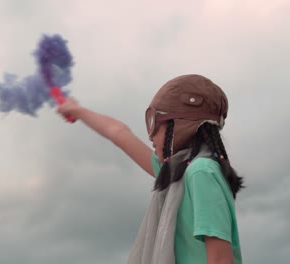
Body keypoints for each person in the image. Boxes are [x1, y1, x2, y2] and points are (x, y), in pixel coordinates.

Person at [57, 74, 244, 264]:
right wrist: (77, 110)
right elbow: (119, 133)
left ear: (179, 124)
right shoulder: (177, 172)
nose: (150, 136)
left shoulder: (201, 172)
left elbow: (221, 259)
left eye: (154, 122)